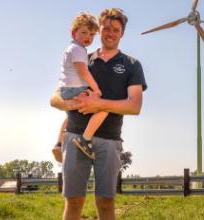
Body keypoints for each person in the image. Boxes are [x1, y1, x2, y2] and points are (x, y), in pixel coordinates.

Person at [50, 8, 147, 220]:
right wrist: (77, 103)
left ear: (122, 33)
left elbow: (134, 106)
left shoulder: (131, 65)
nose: (110, 33)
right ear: (99, 30)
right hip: (75, 137)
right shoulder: (83, 58)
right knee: (73, 201)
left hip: (109, 140)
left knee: (105, 203)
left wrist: (98, 105)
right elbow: (55, 99)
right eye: (106, 28)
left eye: (116, 29)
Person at [53, 12, 107, 161]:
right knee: (103, 108)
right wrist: (96, 89)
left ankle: (59, 142)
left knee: (70, 115)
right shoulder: (78, 50)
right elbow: (84, 72)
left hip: (66, 88)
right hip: (74, 89)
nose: (87, 37)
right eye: (83, 32)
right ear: (73, 32)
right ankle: (86, 139)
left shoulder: (71, 48)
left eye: (91, 34)